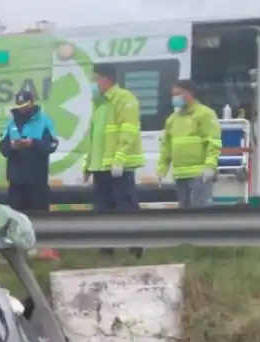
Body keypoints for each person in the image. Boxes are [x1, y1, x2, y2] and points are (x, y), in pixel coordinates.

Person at [83, 62, 145, 257]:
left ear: (106, 78)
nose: (94, 83)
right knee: (102, 209)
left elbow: (128, 131)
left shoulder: (124, 99)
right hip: (100, 167)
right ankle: (106, 249)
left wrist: (120, 159)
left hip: (119, 167)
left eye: (96, 79)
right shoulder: (99, 103)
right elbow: (95, 137)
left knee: (126, 206)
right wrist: (88, 165)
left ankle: (135, 248)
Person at [0, 88, 60, 260]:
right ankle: (18, 251)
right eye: (20, 106)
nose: (22, 109)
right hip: (16, 179)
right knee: (15, 217)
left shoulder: (44, 121)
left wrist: (33, 144)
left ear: (32, 103)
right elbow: (2, 146)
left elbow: (52, 145)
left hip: (37, 178)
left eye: (25, 105)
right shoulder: (11, 122)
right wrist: (12, 146)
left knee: (39, 215)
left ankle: (43, 251)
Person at [157, 79, 222, 208]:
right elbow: (166, 146)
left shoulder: (205, 114)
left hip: (199, 174)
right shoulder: (172, 119)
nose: (175, 98)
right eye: (173, 95)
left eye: (178, 94)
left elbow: (213, 142)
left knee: (199, 214)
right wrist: (162, 169)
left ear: (189, 93)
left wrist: (210, 166)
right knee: (184, 216)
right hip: (180, 175)